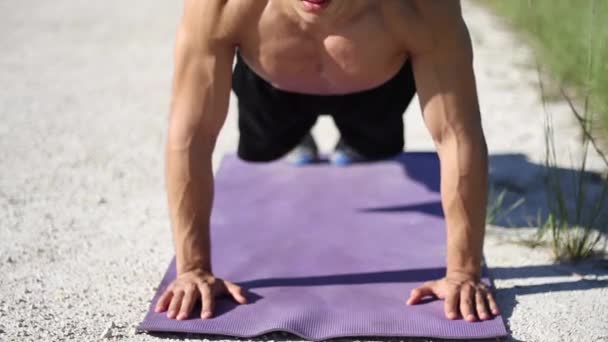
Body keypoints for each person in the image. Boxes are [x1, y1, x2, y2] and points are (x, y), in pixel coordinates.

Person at [156, 0, 499, 323]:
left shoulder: (420, 7)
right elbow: (193, 133)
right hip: (272, 87)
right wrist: (192, 268)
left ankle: (350, 141)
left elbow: (457, 135)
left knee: (373, 148)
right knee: (267, 149)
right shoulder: (222, 5)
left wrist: (462, 273)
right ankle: (298, 136)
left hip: (375, 89)